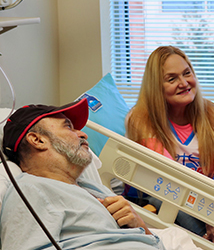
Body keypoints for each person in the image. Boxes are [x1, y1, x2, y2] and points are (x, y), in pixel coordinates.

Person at [0, 98, 165, 250]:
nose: (83, 134)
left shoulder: (93, 188)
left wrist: (140, 225)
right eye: (68, 127)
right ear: (37, 140)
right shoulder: (30, 191)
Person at [125, 46, 214, 245]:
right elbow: (171, 178)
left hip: (207, 205)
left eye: (187, 73)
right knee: (164, 200)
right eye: (172, 79)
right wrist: (210, 220)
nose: (184, 83)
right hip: (159, 199)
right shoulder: (141, 119)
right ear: (156, 87)